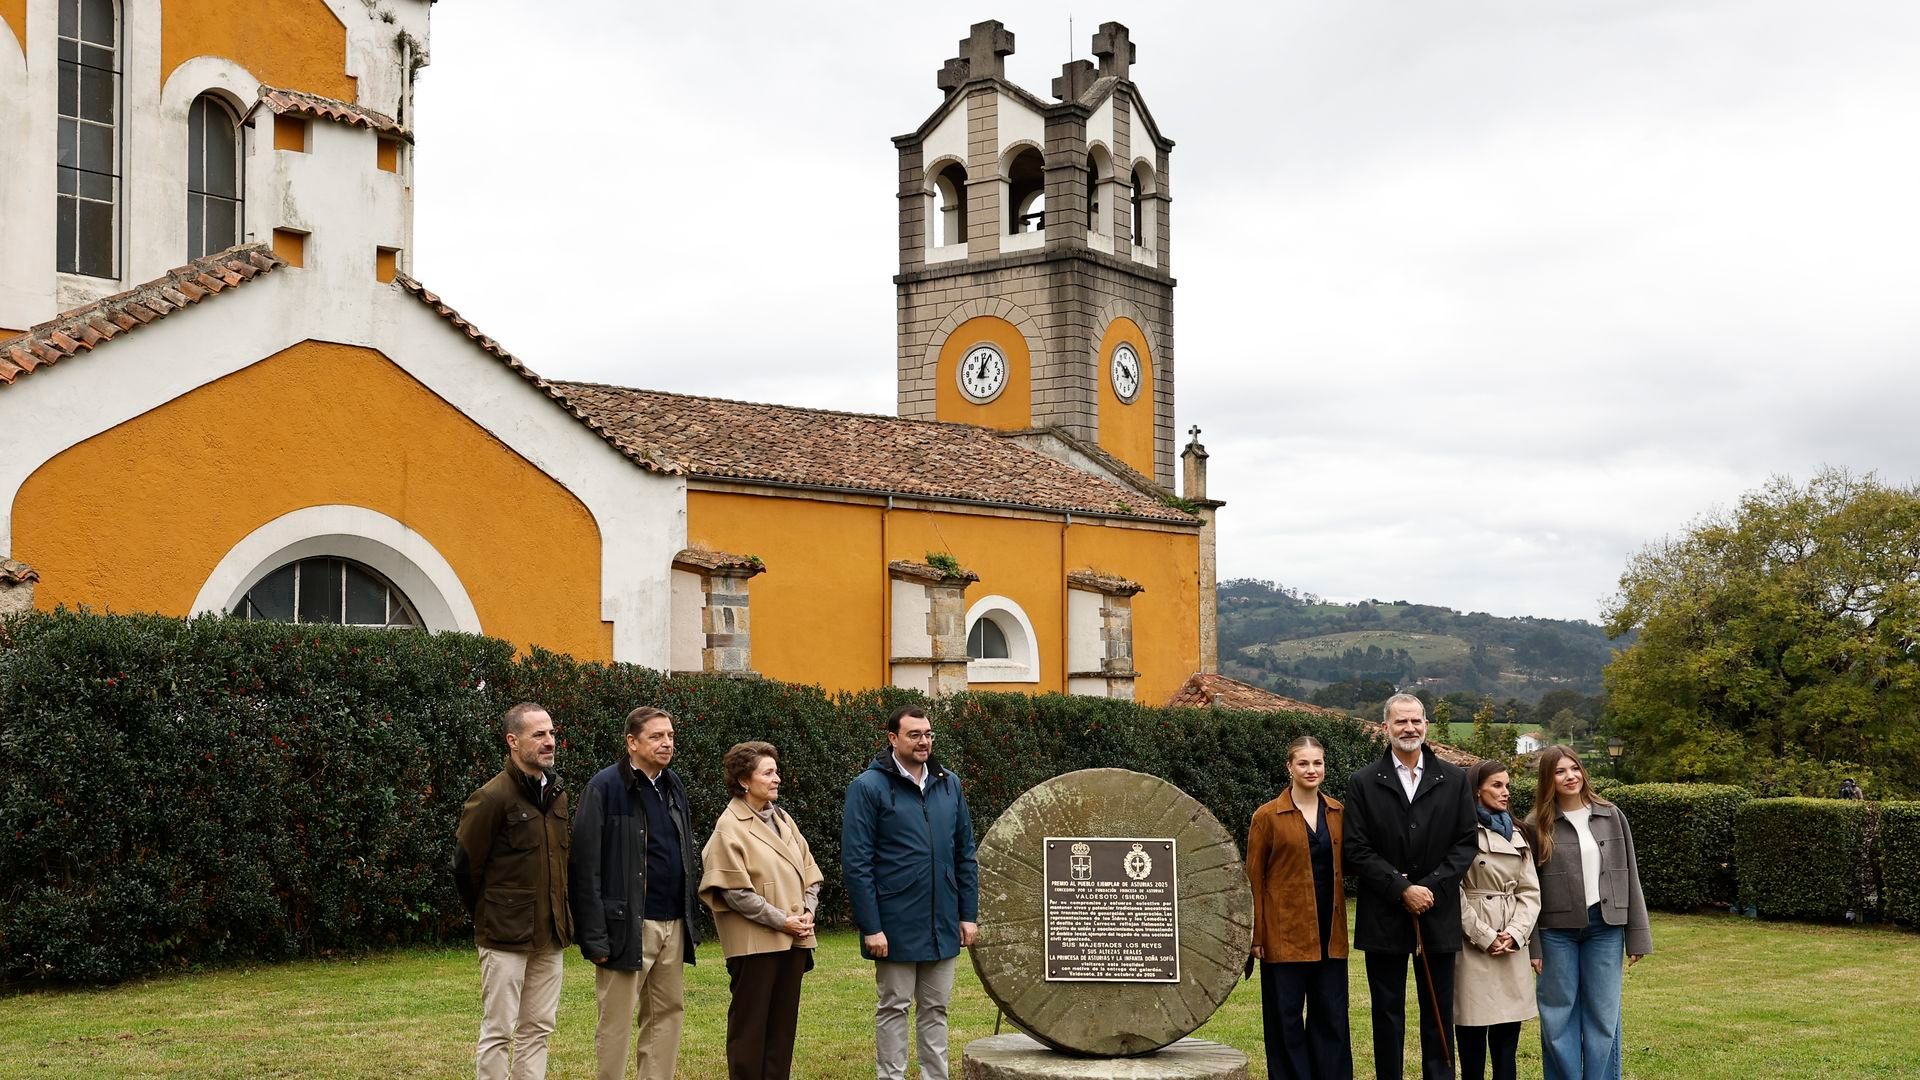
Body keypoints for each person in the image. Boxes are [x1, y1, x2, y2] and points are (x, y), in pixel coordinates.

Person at [1343, 692, 1479, 1080]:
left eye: (1416, 720)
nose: (1410, 728)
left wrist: (1430, 887)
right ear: (1385, 728)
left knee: (1438, 1008)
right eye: (1401, 721)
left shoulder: (1453, 779)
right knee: (1387, 1010)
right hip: (1383, 913)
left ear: (1426, 725)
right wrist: (1401, 888)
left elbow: (1466, 841)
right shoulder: (1363, 782)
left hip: (1437, 912)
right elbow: (1356, 847)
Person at [841, 705, 979, 1080]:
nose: (924, 742)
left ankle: (936, 1076)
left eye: (928, 734)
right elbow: (857, 864)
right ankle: (891, 1076)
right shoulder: (867, 787)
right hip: (894, 921)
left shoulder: (949, 783)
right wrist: (872, 927)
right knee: (894, 1007)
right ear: (892, 739)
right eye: (914, 735)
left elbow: (965, 853)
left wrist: (967, 915)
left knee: (936, 1009)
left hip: (943, 919)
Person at [569, 707, 699, 1080]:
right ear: (632, 742)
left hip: (672, 923)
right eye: (657, 736)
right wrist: (594, 936)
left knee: (666, 1016)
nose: (667, 743)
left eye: (670, 736)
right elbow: (584, 866)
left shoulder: (673, 786)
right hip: (626, 927)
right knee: (616, 1023)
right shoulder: (604, 788)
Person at [454, 702, 573, 1080]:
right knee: (498, 1031)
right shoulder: (491, 798)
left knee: (538, 1029)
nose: (549, 741)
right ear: (512, 741)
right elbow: (465, 867)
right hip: (504, 935)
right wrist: (493, 911)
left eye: (551, 733)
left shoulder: (557, 795)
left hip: (550, 934)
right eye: (538, 734)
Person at [1525, 745, 1652, 1080]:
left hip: (1605, 928)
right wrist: (1533, 947)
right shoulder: (1535, 824)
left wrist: (1637, 936)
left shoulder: (1611, 815)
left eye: (1575, 769)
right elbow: (1529, 889)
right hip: (1555, 933)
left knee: (1603, 1015)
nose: (1570, 777)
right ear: (1547, 779)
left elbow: (1630, 875)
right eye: (1560, 771)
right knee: (1557, 1017)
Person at [699, 741, 824, 1080]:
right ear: (744, 780)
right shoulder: (730, 827)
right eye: (768, 773)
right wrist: (783, 921)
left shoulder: (783, 819)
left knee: (782, 1030)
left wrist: (807, 914)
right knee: (750, 1030)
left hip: (794, 940)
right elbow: (735, 892)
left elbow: (810, 873)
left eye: (776, 771)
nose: (777, 779)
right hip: (755, 946)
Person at [1246, 735, 1353, 1080]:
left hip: (1329, 934)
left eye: (1317, 762)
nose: (1311, 769)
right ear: (1289, 768)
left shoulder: (1338, 812)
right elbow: (1254, 879)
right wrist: (1255, 935)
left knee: (1332, 1018)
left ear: (1325, 766)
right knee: (1285, 1021)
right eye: (1303, 763)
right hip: (1283, 935)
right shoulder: (1267, 816)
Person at [1454, 760, 1541, 1080]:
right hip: (1474, 945)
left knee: (1507, 1044)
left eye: (1507, 785)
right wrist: (1484, 935)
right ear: (1477, 789)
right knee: (1472, 1042)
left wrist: (1515, 934)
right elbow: (1453, 891)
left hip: (1511, 945)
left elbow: (1531, 891)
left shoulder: (1519, 833)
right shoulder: (1459, 832)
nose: (1506, 792)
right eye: (1497, 785)